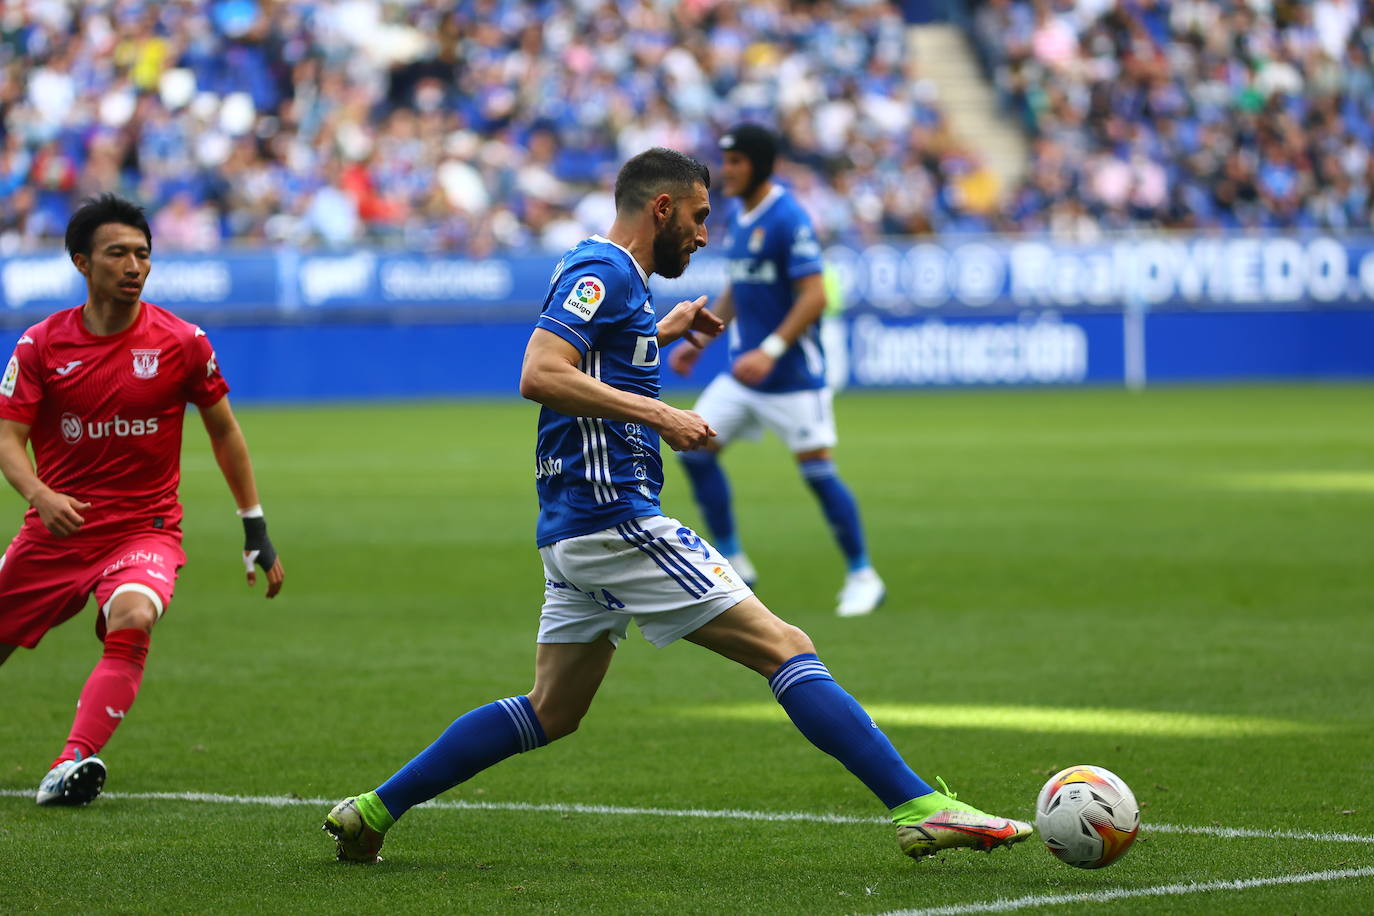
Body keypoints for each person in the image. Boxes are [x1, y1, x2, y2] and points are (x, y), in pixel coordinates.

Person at [322, 148, 1030, 864]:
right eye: (696, 218)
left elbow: (596, 357)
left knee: (552, 709)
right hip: (615, 521)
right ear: (660, 208)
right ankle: (921, 807)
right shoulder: (602, 271)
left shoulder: (611, 273)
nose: (701, 235)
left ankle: (373, 810)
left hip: (573, 530)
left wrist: (663, 332)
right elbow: (540, 372)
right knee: (787, 648)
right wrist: (664, 417)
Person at [0, 193, 284, 806]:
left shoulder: (182, 342)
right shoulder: (40, 347)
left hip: (144, 530)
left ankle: (71, 761)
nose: (134, 266)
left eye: (143, 254)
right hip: (57, 531)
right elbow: (7, 437)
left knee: (134, 615)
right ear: (82, 262)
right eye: (118, 253)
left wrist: (253, 524)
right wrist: (39, 493)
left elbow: (224, 429)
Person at [667, 124, 884, 617]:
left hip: (791, 378)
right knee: (695, 450)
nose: (727, 172)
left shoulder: (788, 218)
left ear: (760, 165)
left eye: (737, 162)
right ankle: (734, 559)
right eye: (726, 162)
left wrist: (770, 349)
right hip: (744, 378)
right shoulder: (743, 218)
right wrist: (698, 342)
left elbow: (815, 295)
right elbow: (739, 285)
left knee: (819, 474)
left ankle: (863, 574)